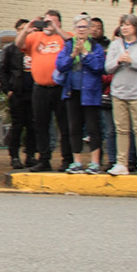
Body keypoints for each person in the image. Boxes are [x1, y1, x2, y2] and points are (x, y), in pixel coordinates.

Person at [53, 17, 105, 173]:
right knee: (74, 128)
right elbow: (60, 66)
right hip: (72, 91)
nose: (81, 29)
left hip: (90, 92)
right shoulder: (69, 45)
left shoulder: (96, 47)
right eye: (78, 27)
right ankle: (77, 162)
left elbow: (98, 66)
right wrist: (72, 55)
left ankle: (95, 162)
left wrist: (84, 53)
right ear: (74, 29)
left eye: (84, 27)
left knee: (92, 128)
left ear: (89, 29)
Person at [17, 15, 68, 171]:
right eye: (46, 21)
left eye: (51, 21)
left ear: (58, 22)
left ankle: (67, 159)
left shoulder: (64, 36)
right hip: (40, 88)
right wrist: (26, 29)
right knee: (41, 125)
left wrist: (57, 29)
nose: (48, 24)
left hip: (60, 87)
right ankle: (44, 160)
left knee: (64, 126)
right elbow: (18, 44)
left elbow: (72, 42)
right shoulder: (35, 37)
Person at [105, 15, 137, 175]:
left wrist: (132, 60)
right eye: (122, 25)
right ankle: (121, 163)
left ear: (135, 27)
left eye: (128, 25)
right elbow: (108, 67)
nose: (124, 28)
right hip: (119, 91)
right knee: (121, 129)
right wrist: (118, 61)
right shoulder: (115, 44)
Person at [0, 25, 33, 174]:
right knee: (17, 125)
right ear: (17, 31)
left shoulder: (34, 47)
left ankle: (30, 155)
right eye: (21, 29)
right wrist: (8, 90)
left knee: (32, 126)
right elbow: (2, 70)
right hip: (17, 92)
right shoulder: (11, 49)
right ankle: (14, 156)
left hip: (33, 92)